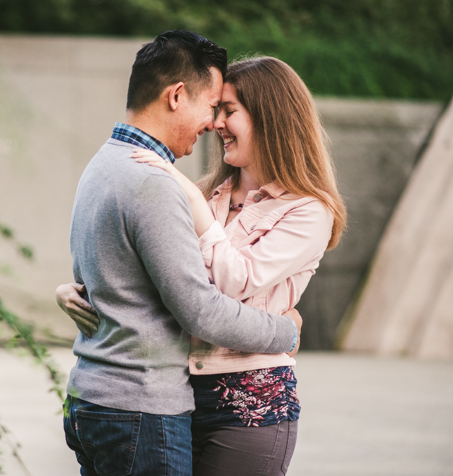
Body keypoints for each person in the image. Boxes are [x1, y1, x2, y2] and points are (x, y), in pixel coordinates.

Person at [57, 55, 347, 475]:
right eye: (216, 110)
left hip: (247, 405)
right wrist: (78, 289)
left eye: (229, 111)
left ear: (271, 118)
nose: (215, 123)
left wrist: (194, 206)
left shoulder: (307, 210)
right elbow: (158, 273)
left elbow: (236, 282)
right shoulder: (204, 194)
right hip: (178, 397)